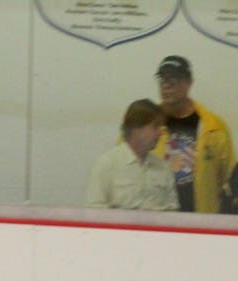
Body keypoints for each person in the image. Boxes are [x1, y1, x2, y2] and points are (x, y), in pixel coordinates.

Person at [151, 55, 234, 213]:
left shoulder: (213, 128)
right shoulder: (146, 124)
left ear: (189, 83)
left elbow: (231, 182)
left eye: (173, 79)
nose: (166, 85)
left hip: (201, 226)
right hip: (156, 225)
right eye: (162, 78)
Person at [85, 99, 178, 211]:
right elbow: (94, 212)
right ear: (136, 128)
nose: (161, 133)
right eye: (155, 126)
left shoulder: (163, 168)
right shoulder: (106, 165)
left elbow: (173, 213)